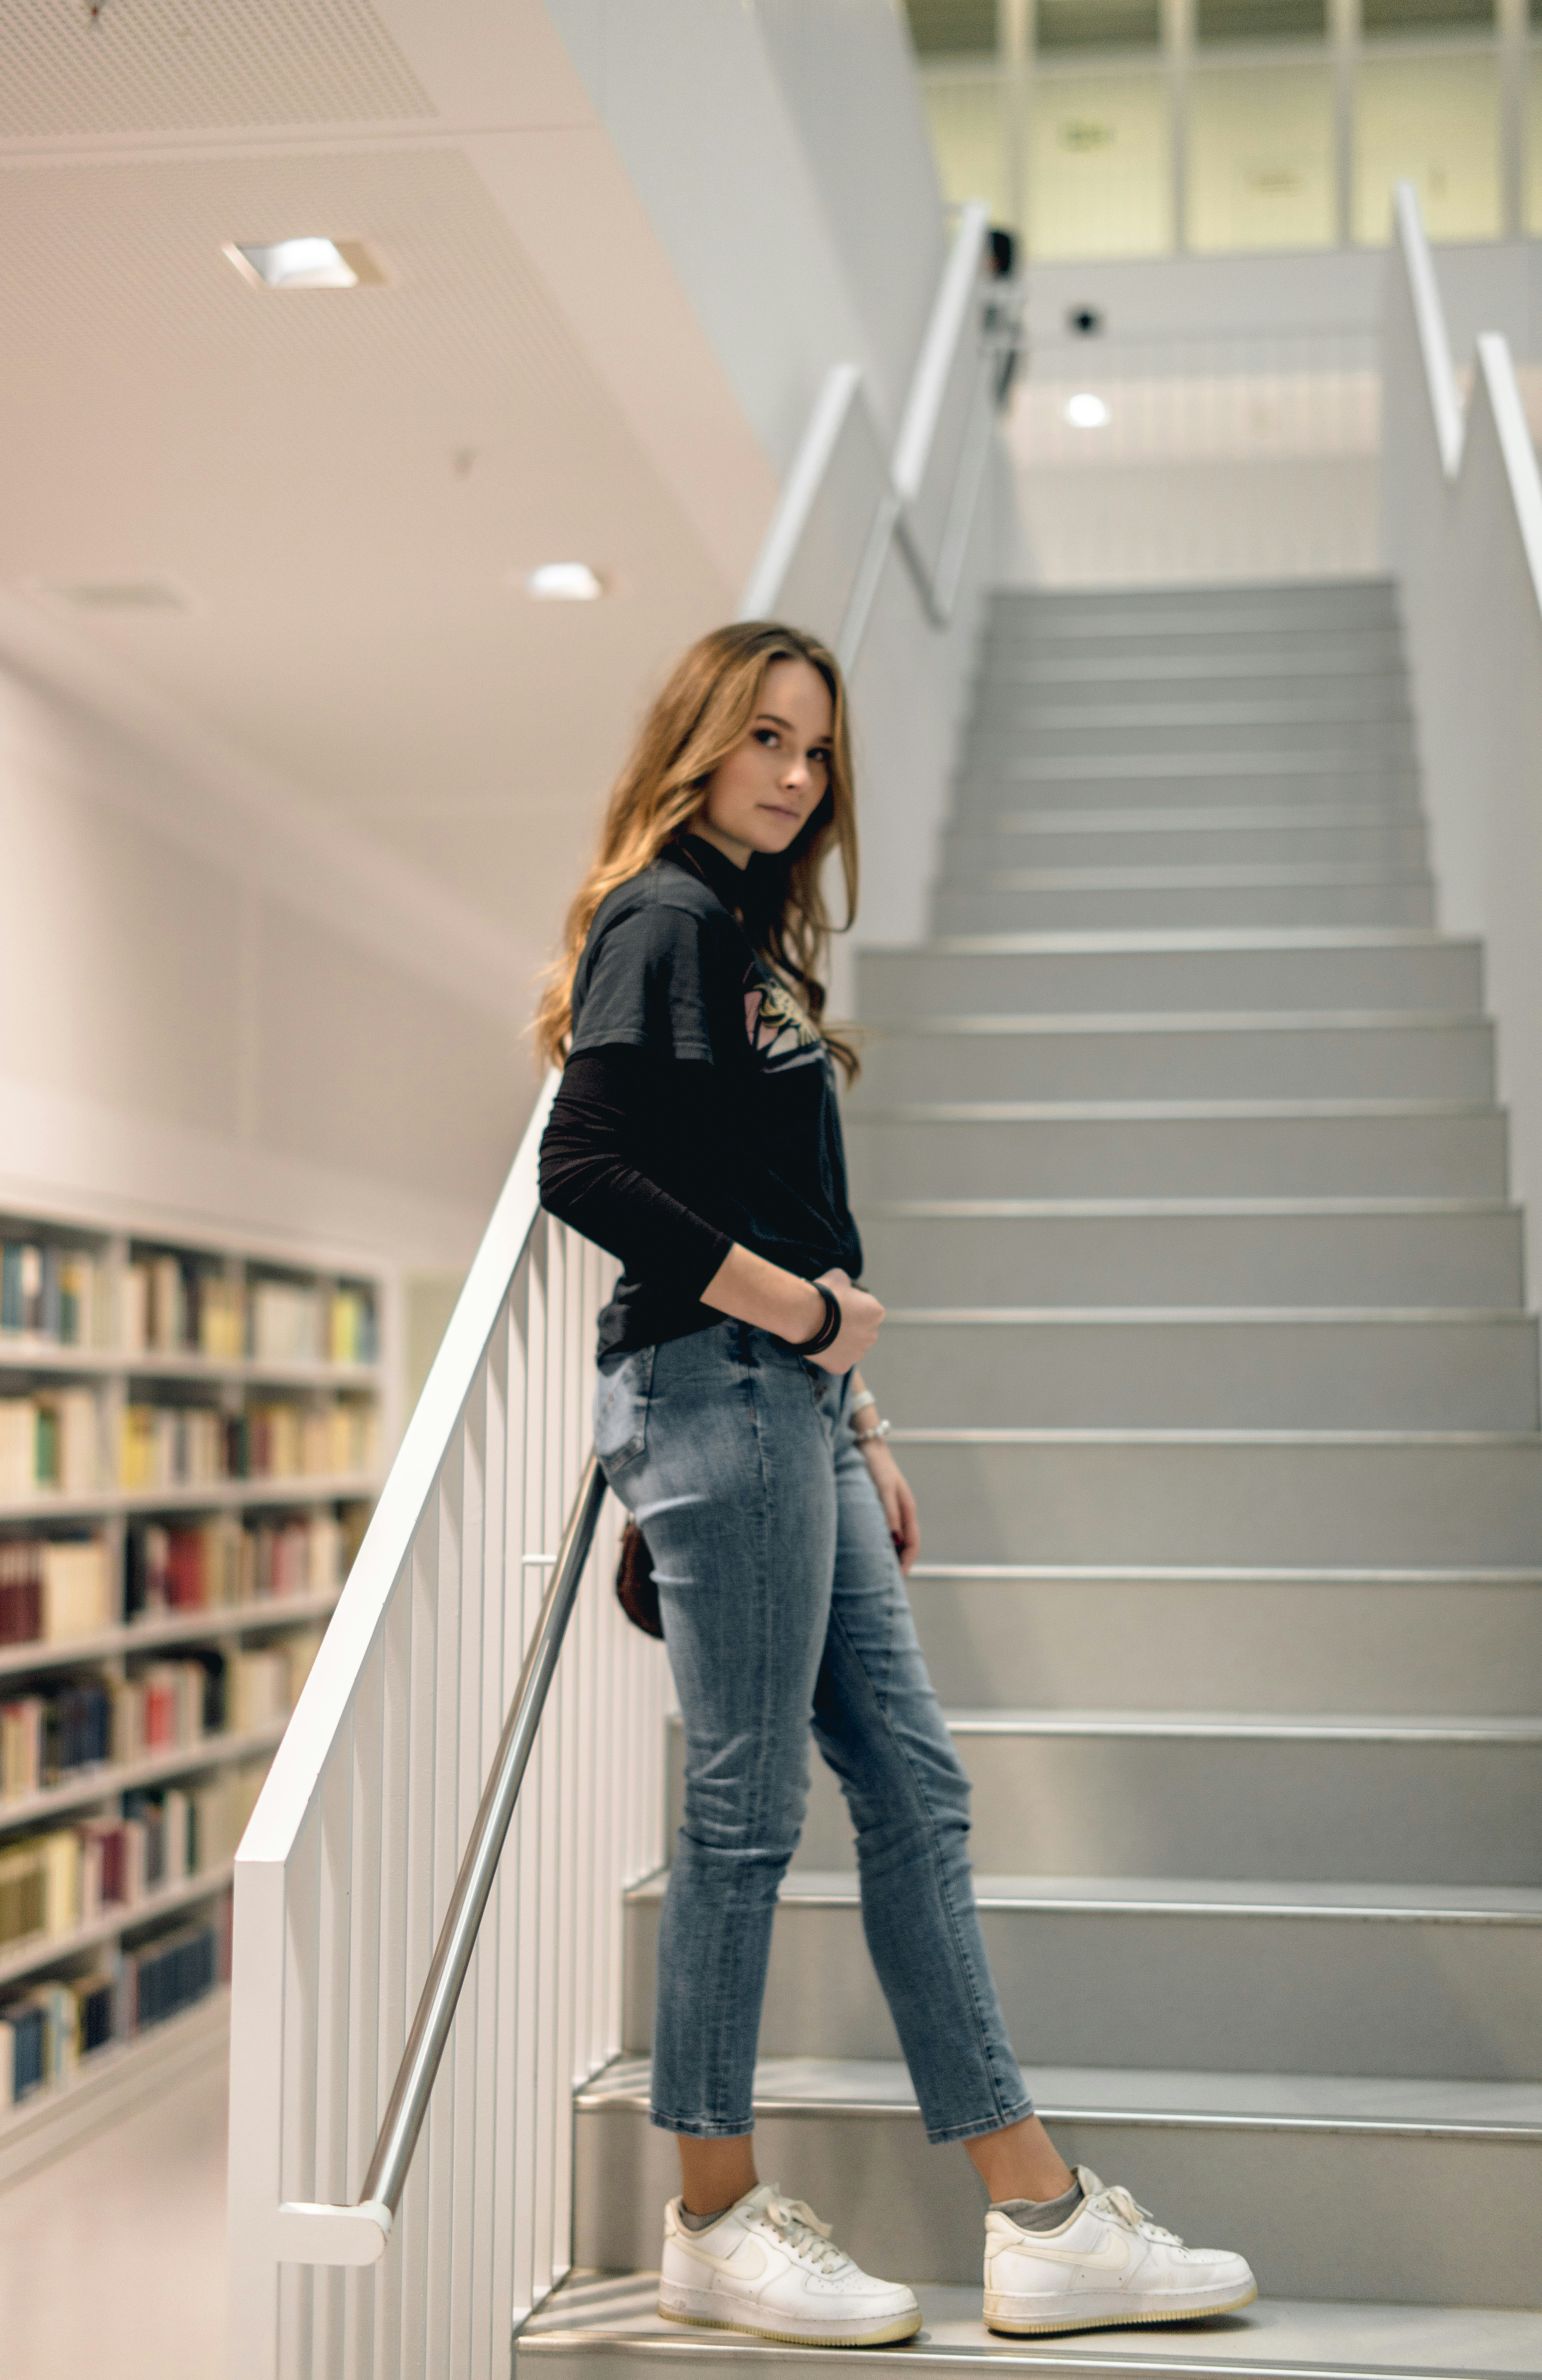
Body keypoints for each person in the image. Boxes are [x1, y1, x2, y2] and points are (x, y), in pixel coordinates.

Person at [536, 621, 1257, 2347]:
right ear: (696, 740)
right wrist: (795, 1322)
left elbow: (788, 1213)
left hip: (790, 1406)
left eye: (815, 752)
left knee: (916, 1792)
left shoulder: (745, 940)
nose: (794, 775)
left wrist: (860, 1419)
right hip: (720, 1389)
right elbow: (587, 1163)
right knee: (743, 1814)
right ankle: (707, 2214)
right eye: (765, 738)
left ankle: (1037, 2213)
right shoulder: (664, 916)